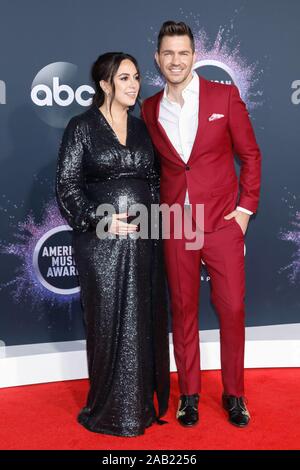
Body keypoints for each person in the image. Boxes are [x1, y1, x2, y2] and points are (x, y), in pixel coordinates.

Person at [141, 21, 261, 428]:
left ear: (194, 55)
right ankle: (188, 394)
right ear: (158, 59)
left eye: (183, 52)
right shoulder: (150, 108)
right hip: (175, 222)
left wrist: (245, 210)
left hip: (223, 223)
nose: (176, 60)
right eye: (168, 53)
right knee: (182, 309)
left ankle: (235, 394)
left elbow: (251, 155)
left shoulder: (224, 96)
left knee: (232, 309)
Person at [56, 52, 169, 437]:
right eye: (124, 78)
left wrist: (154, 228)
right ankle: (108, 411)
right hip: (99, 242)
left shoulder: (142, 129)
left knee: (140, 319)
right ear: (105, 84)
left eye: (136, 77)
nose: (134, 84)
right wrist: (99, 218)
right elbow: (67, 186)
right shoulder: (81, 127)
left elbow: (153, 182)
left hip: (142, 241)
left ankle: (138, 409)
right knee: (107, 321)